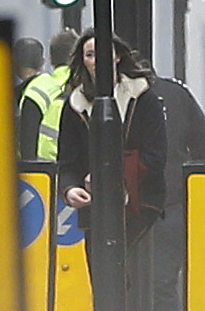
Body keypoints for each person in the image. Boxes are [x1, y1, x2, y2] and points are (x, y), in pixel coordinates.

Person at [56, 30, 167, 247]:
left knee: (132, 274)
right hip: (95, 211)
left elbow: (155, 156)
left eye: (104, 53)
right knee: (100, 276)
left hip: (141, 206)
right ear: (83, 61)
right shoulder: (74, 105)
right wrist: (71, 189)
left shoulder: (144, 98)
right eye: (89, 55)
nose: (97, 61)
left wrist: (109, 177)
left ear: (117, 57)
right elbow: (68, 161)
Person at [145, 73, 205, 311]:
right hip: (166, 201)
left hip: (158, 202)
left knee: (158, 279)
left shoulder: (171, 95)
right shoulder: (173, 94)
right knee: (161, 281)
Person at [18, 29, 78, 162]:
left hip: (45, 175)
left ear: (51, 60)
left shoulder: (37, 89)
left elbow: (27, 146)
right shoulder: (88, 85)